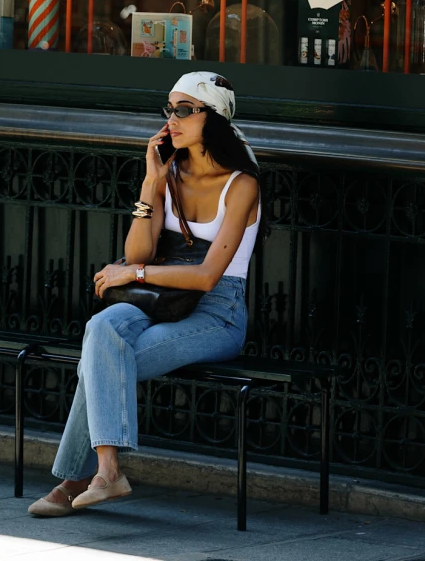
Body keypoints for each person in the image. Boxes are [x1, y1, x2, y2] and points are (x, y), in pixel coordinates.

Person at [28, 71, 262, 517]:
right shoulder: (169, 173)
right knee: (101, 328)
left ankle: (73, 481)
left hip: (217, 314)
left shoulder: (242, 184)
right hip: (155, 299)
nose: (171, 119)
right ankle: (107, 472)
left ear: (213, 118)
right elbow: (138, 249)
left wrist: (130, 272)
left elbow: (207, 278)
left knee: (103, 360)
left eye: (184, 110)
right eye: (168, 109)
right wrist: (149, 185)